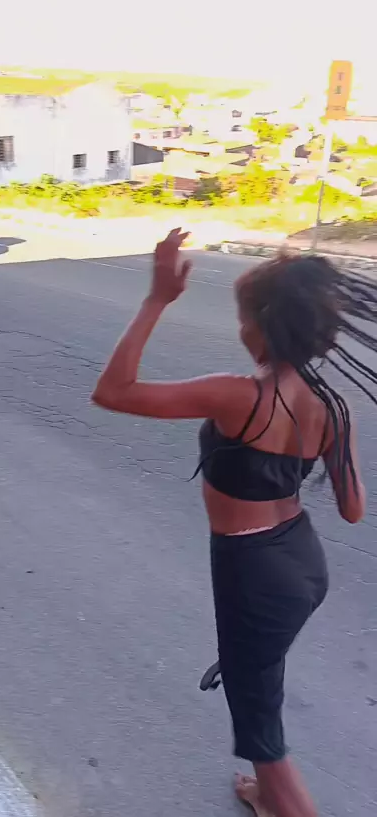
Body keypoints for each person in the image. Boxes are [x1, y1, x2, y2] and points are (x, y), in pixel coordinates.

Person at [91, 228, 372, 817]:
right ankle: (266, 797)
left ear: (264, 327)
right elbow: (353, 509)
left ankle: (282, 798)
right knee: (260, 686)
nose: (239, 332)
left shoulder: (236, 395)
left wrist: (157, 299)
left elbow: (113, 392)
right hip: (301, 563)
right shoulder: (332, 406)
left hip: (253, 571)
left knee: (259, 723)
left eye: (243, 320)